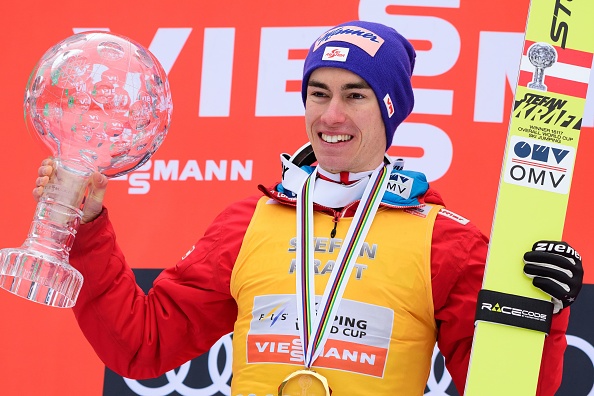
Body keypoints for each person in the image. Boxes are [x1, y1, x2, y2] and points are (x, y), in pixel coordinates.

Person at [33, 21, 583, 395]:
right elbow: (142, 345)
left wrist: (541, 311)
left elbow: (505, 388)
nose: (332, 115)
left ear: (391, 110)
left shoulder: (447, 241)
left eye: (355, 95)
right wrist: (86, 229)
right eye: (318, 93)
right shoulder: (248, 222)